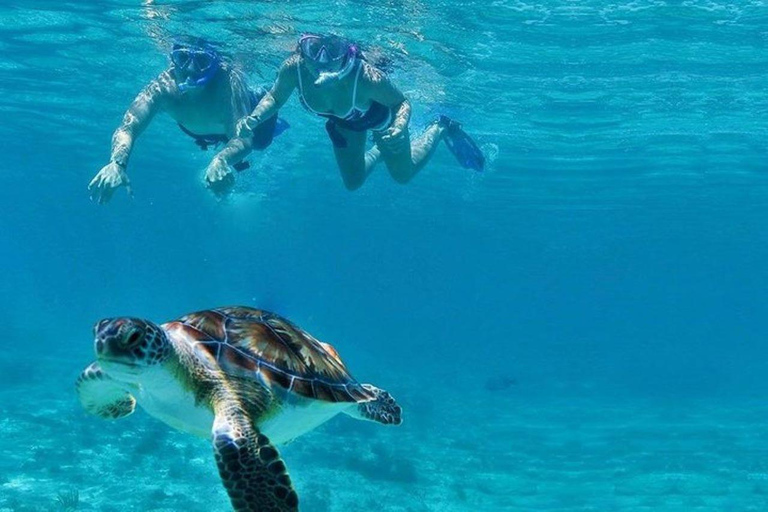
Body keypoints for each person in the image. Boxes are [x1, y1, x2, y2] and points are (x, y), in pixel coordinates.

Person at [236, 33, 484, 191]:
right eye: (314, 48)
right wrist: (254, 118)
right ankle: (379, 150)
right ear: (301, 49)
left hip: (383, 120)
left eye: (333, 48)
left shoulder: (365, 77)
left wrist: (398, 128)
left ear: (347, 50)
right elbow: (275, 97)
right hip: (347, 122)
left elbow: (401, 103)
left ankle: (439, 127)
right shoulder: (293, 68)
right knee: (353, 182)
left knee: (402, 175)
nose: (323, 58)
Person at [88, 38, 288, 203]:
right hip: (203, 131)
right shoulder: (163, 88)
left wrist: (221, 160)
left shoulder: (227, 85)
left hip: (245, 116)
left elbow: (243, 140)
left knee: (260, 143)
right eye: (182, 58)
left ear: (215, 65)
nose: (191, 69)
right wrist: (117, 163)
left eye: (202, 61)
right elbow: (128, 127)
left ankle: (260, 95)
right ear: (172, 60)